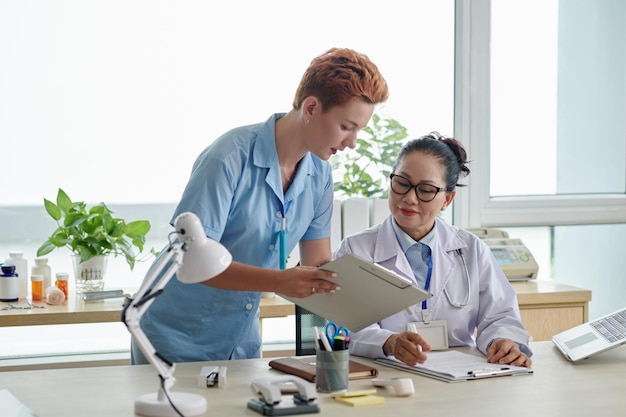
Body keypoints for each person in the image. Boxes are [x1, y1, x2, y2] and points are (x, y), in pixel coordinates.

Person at [131, 48, 389, 364]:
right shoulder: (228, 157)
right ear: (311, 107)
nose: (352, 142)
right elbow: (192, 258)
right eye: (347, 127)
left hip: (241, 340)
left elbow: (319, 263)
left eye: (359, 130)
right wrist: (280, 281)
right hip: (174, 337)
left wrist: (378, 298)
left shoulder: (319, 175)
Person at [334, 133, 533, 368]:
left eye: (426, 190)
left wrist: (501, 341)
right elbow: (346, 328)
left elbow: (501, 315)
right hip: (387, 376)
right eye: (401, 183)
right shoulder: (356, 250)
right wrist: (389, 342)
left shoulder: (470, 249)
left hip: (461, 377)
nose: (409, 198)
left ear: (447, 199)